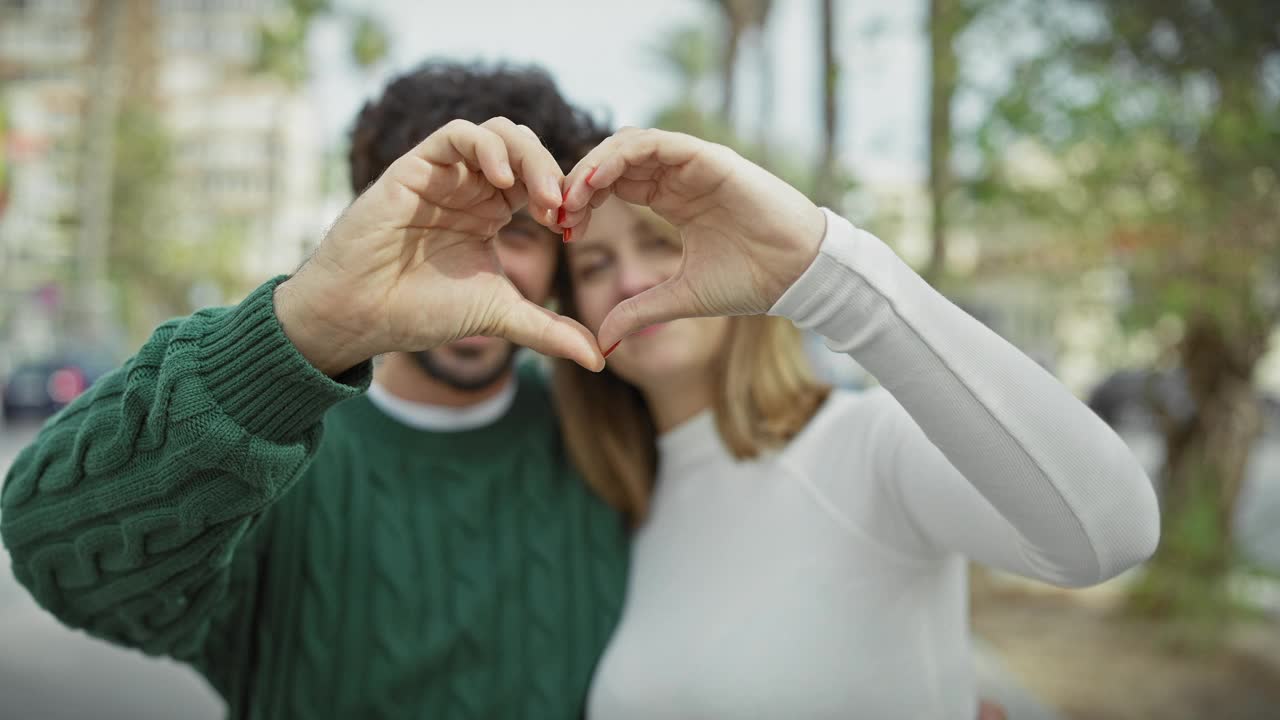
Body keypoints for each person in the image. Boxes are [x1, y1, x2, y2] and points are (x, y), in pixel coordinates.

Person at [0, 62, 628, 719]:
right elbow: (51, 546)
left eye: (521, 232)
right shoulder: (265, 457)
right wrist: (308, 329)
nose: (482, 266)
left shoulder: (609, 434)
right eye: (446, 229)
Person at [550, 128, 1162, 718]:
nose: (629, 280)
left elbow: (1110, 532)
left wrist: (825, 276)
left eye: (658, 241)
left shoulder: (868, 444)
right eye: (594, 266)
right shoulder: (615, 504)